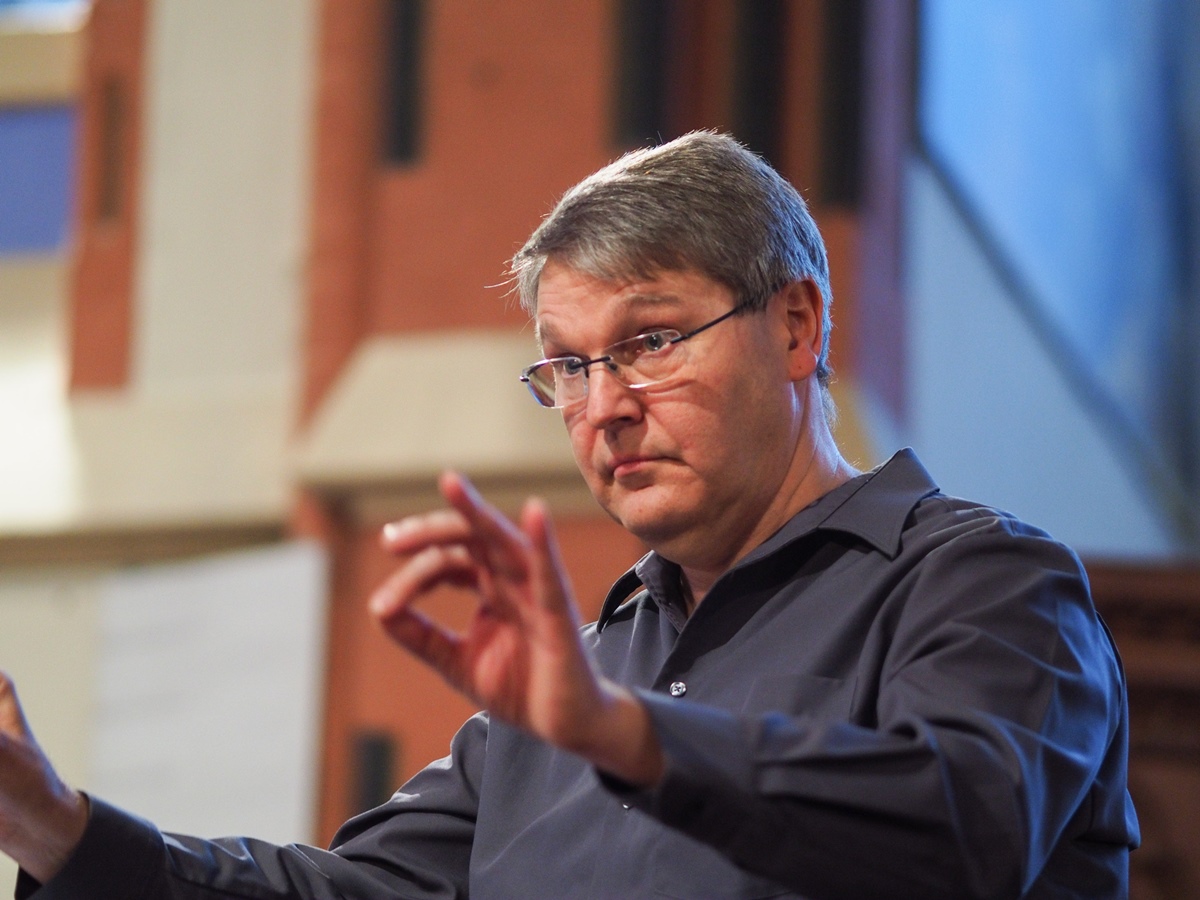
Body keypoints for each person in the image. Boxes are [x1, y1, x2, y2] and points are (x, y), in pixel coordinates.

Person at [0, 131, 1138, 899]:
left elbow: (963, 829)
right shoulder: (569, 684)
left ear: (797, 326)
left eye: (649, 342)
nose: (606, 408)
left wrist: (622, 735)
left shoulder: (986, 584)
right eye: (568, 369)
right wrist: (55, 823)